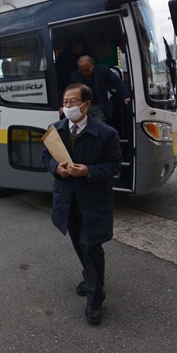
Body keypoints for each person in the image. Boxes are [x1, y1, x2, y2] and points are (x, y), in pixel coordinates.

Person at [42, 83, 122, 325]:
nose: (68, 107)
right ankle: (89, 276)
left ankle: (95, 298)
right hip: (68, 198)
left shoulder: (107, 133)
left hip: (94, 200)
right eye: (65, 102)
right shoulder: (55, 130)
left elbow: (114, 166)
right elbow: (46, 156)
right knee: (78, 242)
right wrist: (56, 168)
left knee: (91, 245)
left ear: (86, 104)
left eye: (73, 102)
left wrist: (88, 170)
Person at [68, 55, 130, 124]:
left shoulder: (103, 70)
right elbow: (70, 92)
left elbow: (116, 82)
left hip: (99, 106)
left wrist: (125, 96)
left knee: (99, 127)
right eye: (82, 71)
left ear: (93, 65)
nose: (85, 73)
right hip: (82, 108)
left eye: (87, 70)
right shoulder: (74, 76)